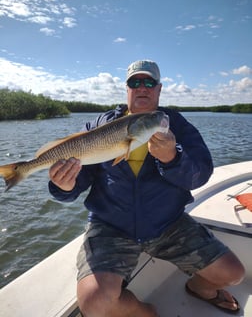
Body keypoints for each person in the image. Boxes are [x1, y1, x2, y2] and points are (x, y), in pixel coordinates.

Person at [48, 60, 244, 316]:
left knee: (234, 274)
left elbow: (201, 174)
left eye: (149, 82)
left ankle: (200, 288)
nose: (142, 87)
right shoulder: (100, 126)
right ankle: (144, 312)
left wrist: (172, 159)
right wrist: (64, 185)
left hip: (168, 224)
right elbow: (77, 181)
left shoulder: (176, 125)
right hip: (110, 226)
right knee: (95, 303)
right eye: (135, 82)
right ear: (127, 88)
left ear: (159, 89)